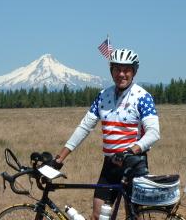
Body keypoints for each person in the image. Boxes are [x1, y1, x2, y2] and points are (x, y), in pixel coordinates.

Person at [52, 48, 160, 220]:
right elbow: (84, 127)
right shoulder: (103, 96)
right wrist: (60, 157)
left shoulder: (142, 97)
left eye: (126, 70)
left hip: (133, 164)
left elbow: (153, 133)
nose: (121, 74)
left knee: (134, 216)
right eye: (117, 69)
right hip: (110, 165)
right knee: (97, 216)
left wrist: (131, 150)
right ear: (111, 71)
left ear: (134, 72)